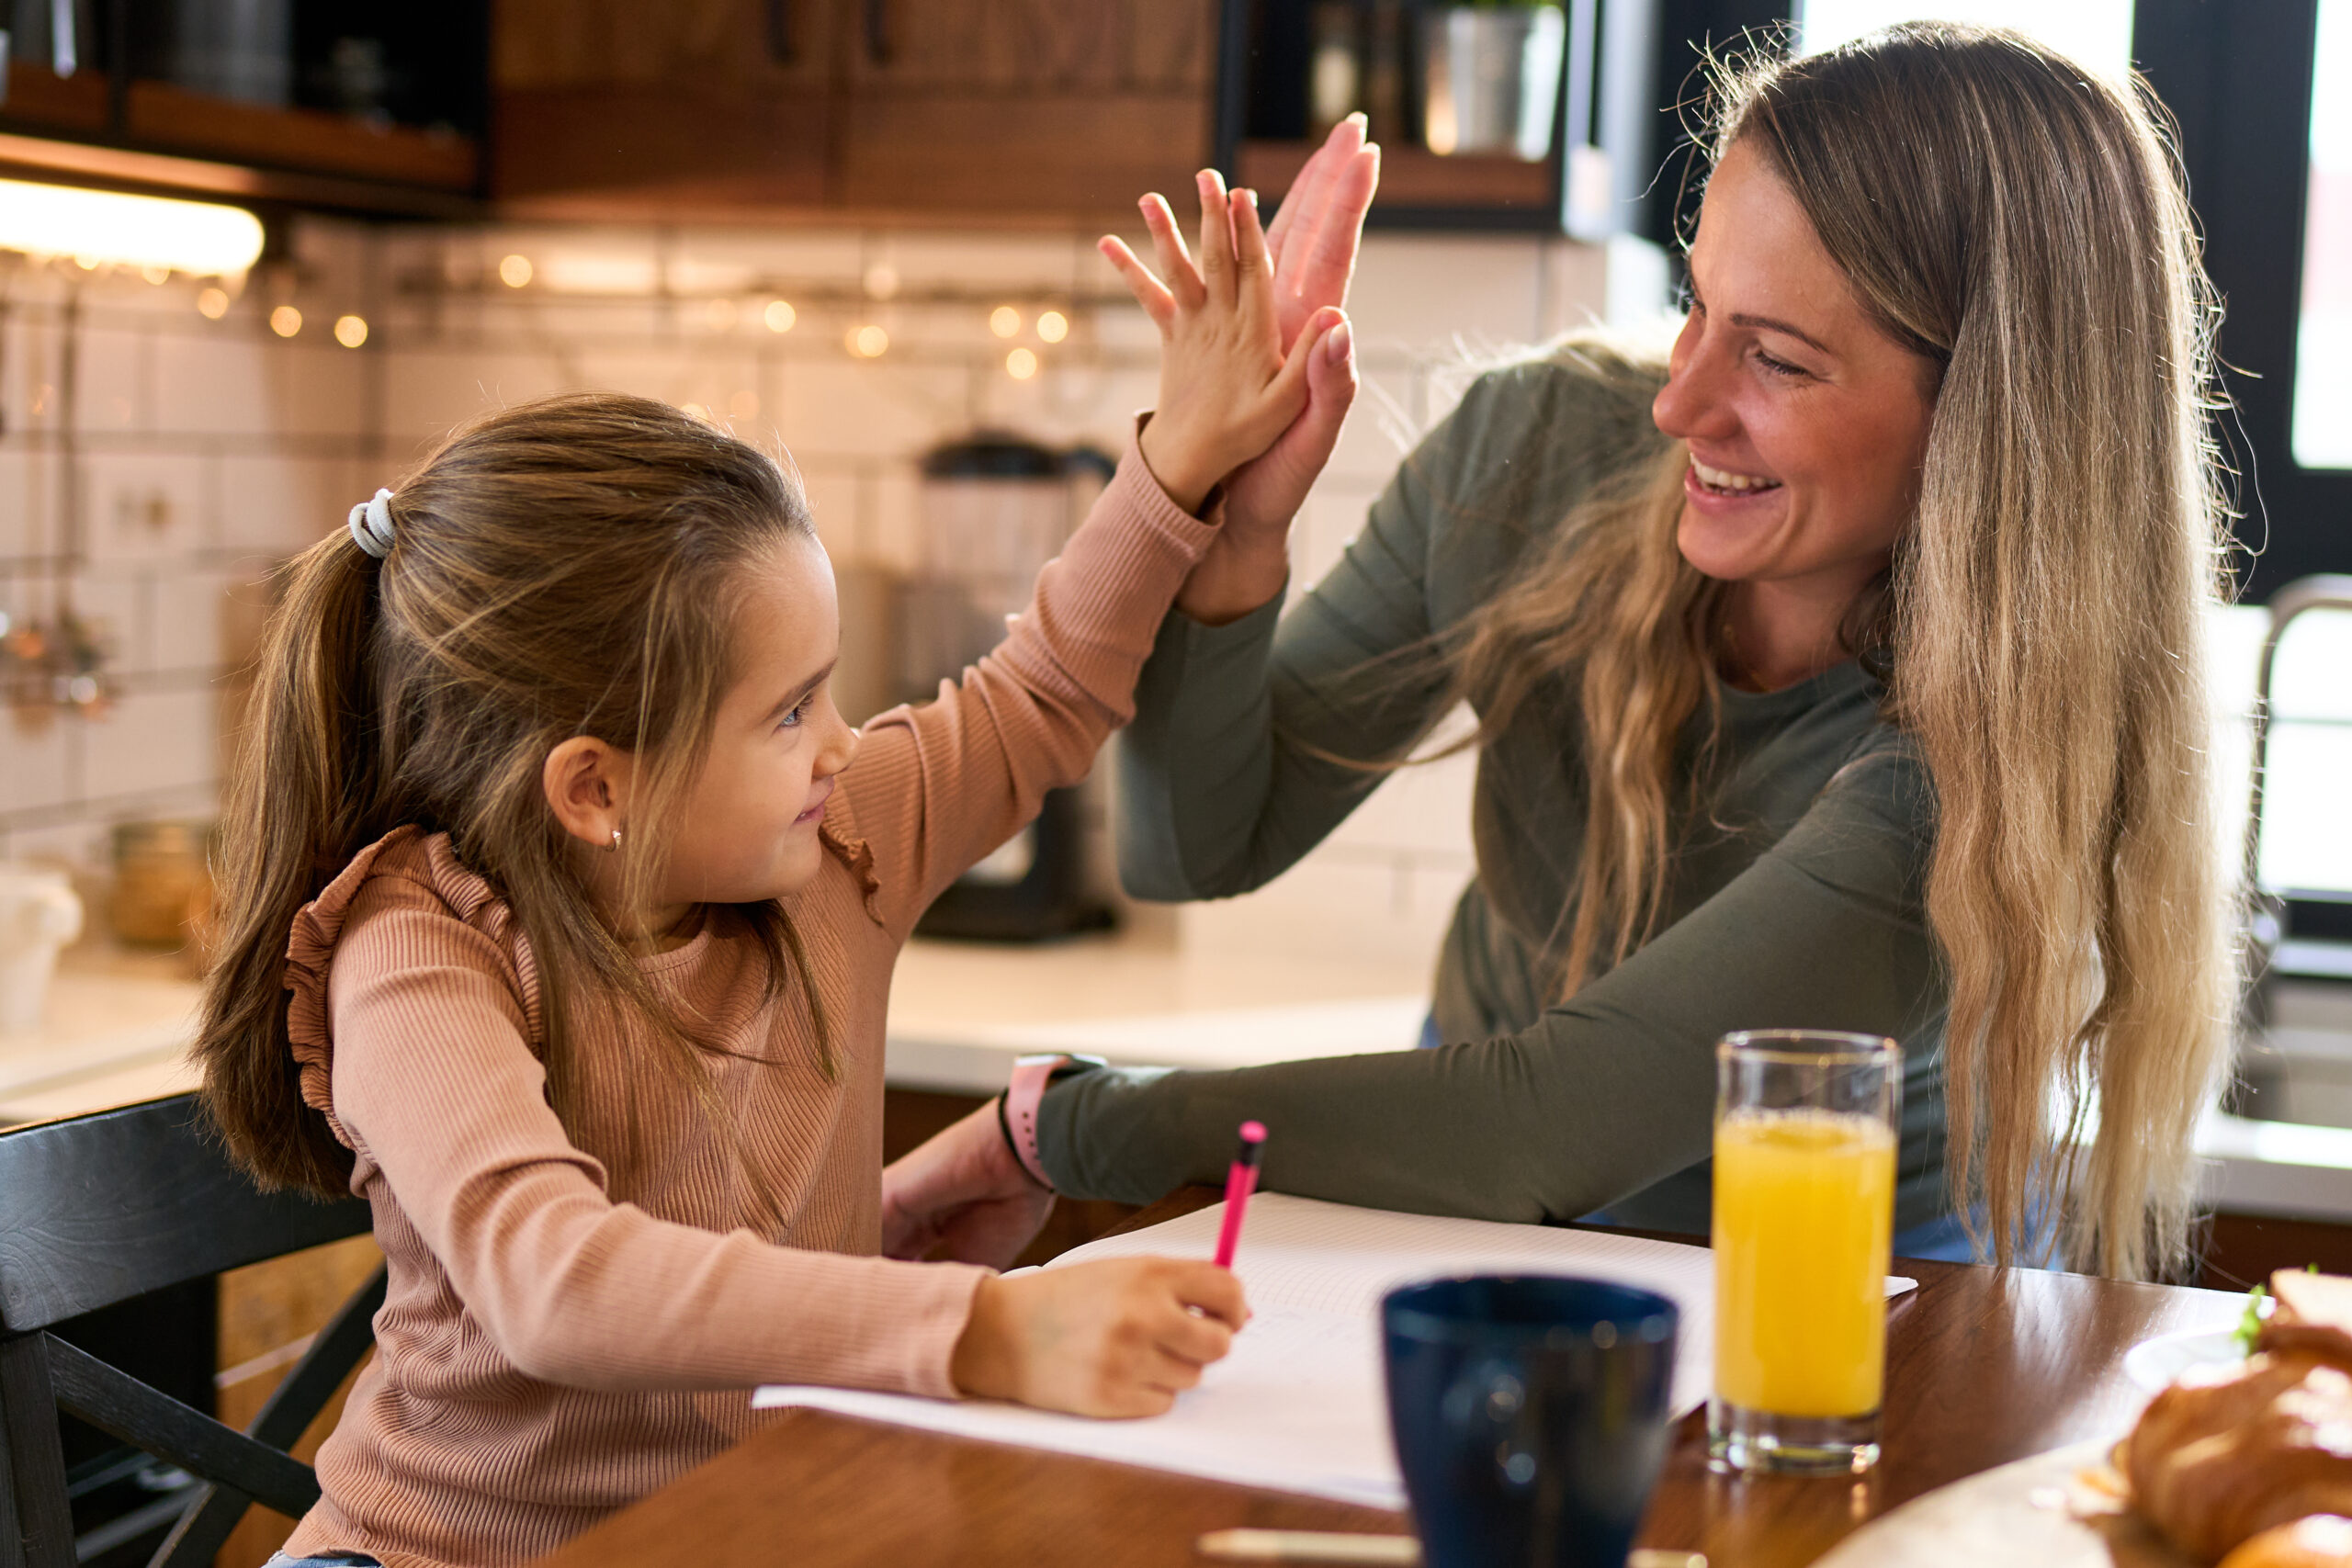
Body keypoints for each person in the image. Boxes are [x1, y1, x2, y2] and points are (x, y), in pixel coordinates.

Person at [882, 23, 2236, 1283]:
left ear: (1988, 424)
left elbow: (1542, 1122)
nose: (1680, 400)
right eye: (1698, 308)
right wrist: (1233, 522)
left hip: (1844, 1291)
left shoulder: (1975, 760)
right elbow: (1195, 851)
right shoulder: (1533, 451)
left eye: (1775, 360)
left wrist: (1056, 1127)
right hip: (1464, 1193)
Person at [193, 149, 1370, 1568]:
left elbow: (1045, 688)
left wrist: (1185, 453)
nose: (840, 744)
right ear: (596, 789)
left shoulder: (833, 841)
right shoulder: (418, 947)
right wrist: (980, 1330)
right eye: (789, 710)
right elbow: (558, 1284)